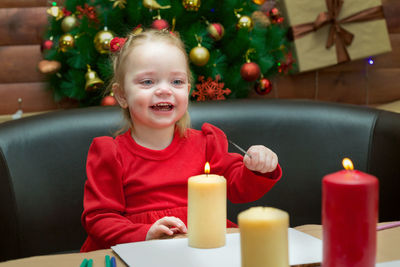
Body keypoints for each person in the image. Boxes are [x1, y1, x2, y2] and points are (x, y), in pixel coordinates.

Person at [81, 29, 282, 252]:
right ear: (121, 96)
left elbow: (239, 189)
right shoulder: (110, 153)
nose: (164, 90)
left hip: (201, 245)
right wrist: (144, 234)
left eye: (176, 81)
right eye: (148, 82)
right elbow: (100, 219)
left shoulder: (207, 143)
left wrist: (257, 168)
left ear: (187, 90)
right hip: (138, 251)